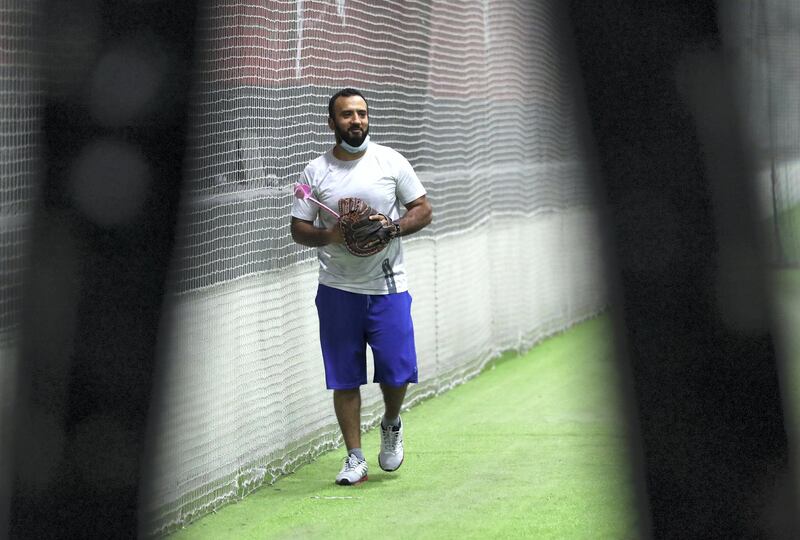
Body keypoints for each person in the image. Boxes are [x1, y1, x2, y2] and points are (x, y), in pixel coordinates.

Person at [290, 88, 432, 485]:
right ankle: (354, 457)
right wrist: (330, 236)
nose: (356, 121)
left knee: (396, 371)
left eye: (362, 114)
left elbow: (423, 209)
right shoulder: (315, 172)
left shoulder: (390, 161)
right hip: (337, 289)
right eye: (347, 115)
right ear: (331, 122)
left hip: (388, 287)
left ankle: (390, 422)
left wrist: (392, 228)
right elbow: (298, 228)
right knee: (344, 377)